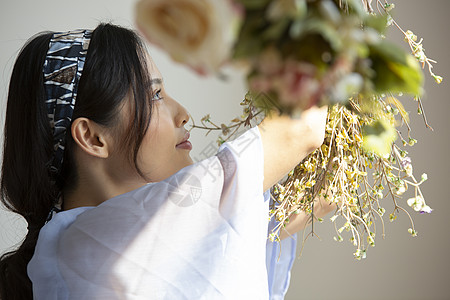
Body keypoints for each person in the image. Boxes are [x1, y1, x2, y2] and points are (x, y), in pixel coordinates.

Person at [0, 23, 331, 300]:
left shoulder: (77, 246)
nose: (183, 114)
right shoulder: (100, 242)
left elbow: (275, 216)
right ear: (93, 138)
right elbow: (302, 130)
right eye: (154, 95)